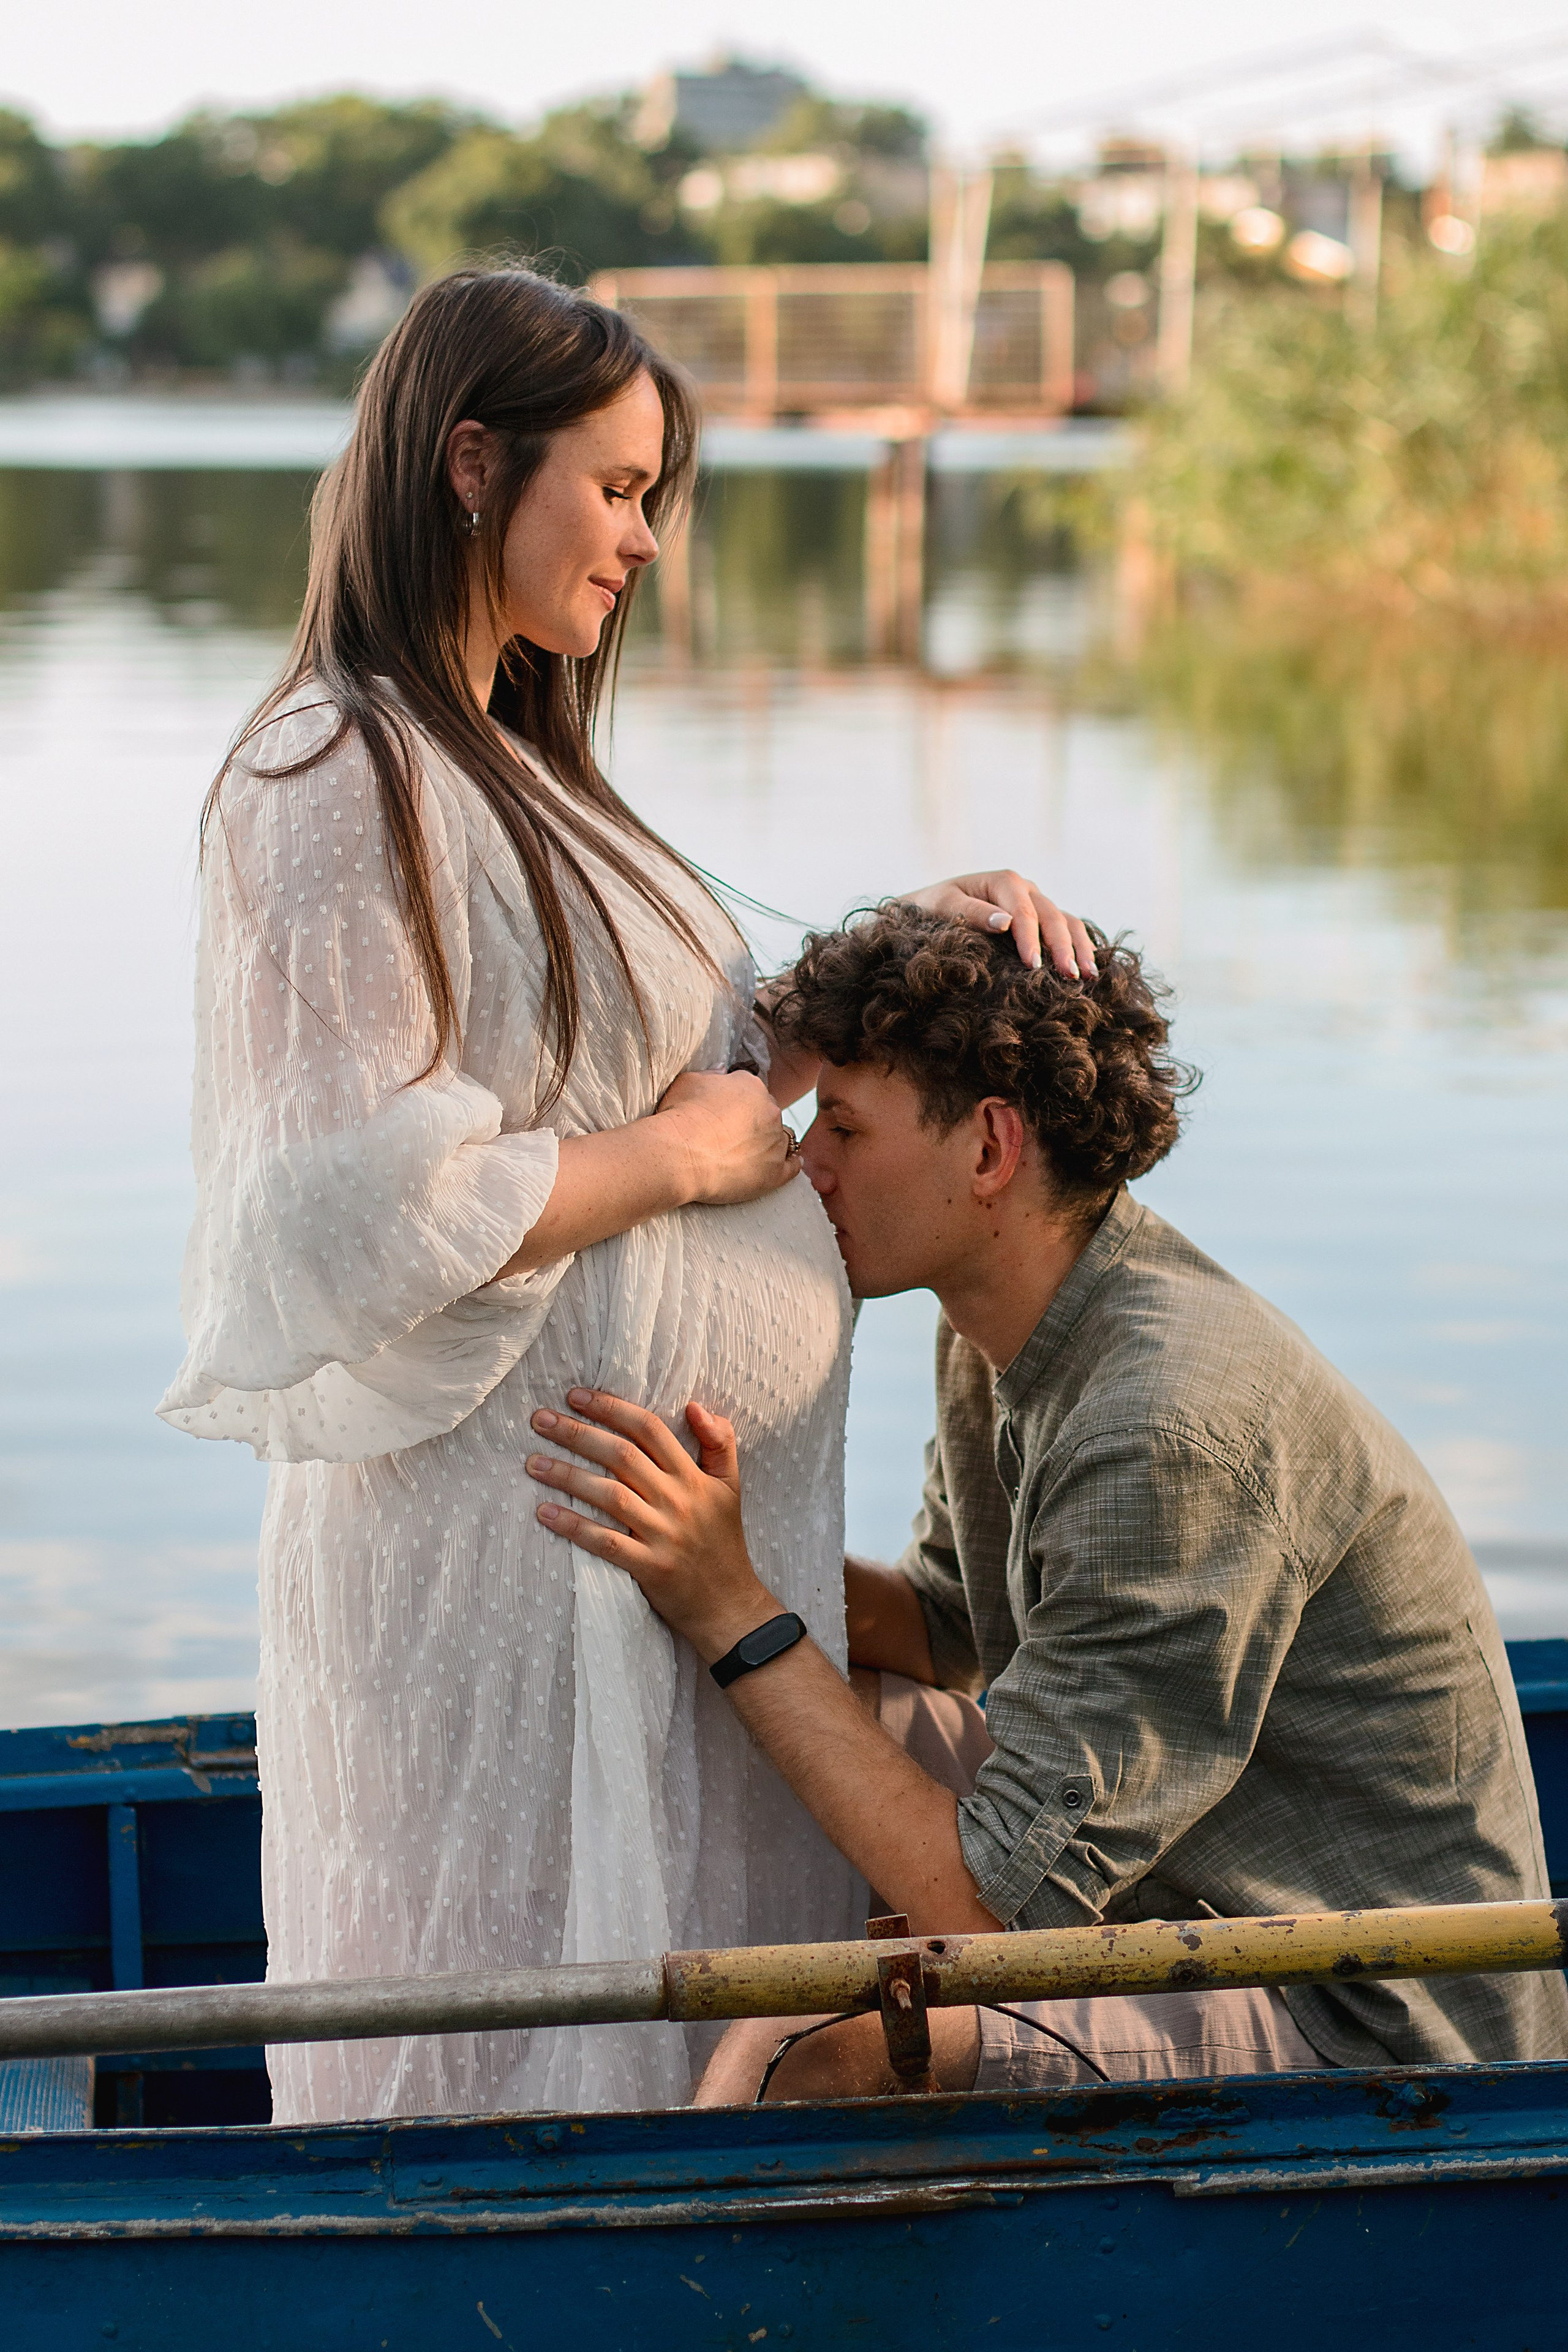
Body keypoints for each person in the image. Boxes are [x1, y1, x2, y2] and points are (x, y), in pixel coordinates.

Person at [157, 264, 1095, 2121]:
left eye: (659, 496)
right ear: (469, 463)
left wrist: (917, 931)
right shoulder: (329, 766)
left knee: (682, 2013)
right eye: (619, 487)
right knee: (516, 2047)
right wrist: (675, 1164)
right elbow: (339, 1211)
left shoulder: (512, 754)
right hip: (502, 1573)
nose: (648, 542)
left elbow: (716, 1046)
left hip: (637, 1565)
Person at [524, 902, 1568, 2101]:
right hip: (1183, 1887)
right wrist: (709, 1541)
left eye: (847, 1129)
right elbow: (951, 1630)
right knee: (784, 1719)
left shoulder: (1164, 1420)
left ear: (986, 1151)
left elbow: (990, 1913)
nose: (806, 1162)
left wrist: (732, 1610)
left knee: (798, 2057)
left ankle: (650, 2271)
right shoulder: (1006, 1326)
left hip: (1366, 2021)